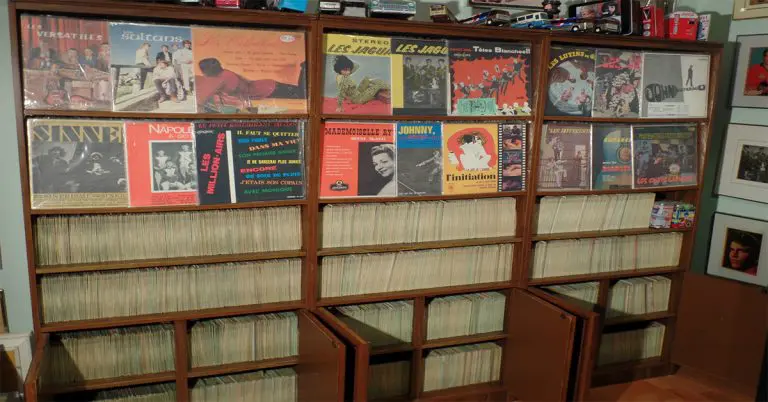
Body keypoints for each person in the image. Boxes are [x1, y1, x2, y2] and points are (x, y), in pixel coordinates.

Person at [196, 57, 305, 112]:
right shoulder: (221, 75)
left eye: (204, 70)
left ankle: (304, 68)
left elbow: (239, 94)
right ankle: (304, 68)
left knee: (302, 94)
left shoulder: (226, 77)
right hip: (266, 86)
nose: (203, 73)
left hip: (268, 89)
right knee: (301, 91)